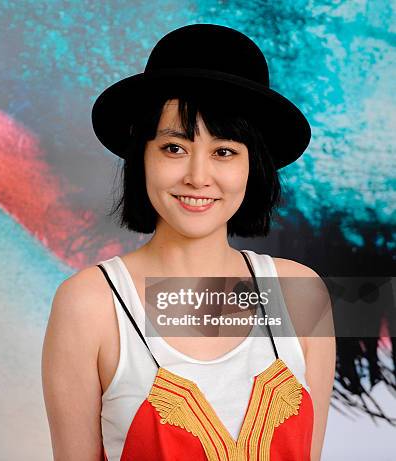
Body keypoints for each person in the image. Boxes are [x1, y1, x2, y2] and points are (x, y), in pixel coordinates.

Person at [42, 24, 335, 461]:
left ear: (253, 167)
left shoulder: (301, 294)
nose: (198, 176)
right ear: (141, 155)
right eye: (175, 148)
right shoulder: (89, 304)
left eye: (224, 151)